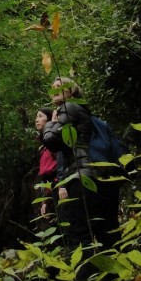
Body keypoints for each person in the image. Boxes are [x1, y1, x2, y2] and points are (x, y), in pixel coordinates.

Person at [42, 77, 100, 253]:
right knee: (98, 229)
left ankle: (87, 277)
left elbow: (51, 140)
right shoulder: (80, 110)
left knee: (80, 232)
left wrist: (51, 122)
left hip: (81, 174)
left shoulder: (69, 108)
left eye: (60, 86)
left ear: (71, 90)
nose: (55, 89)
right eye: (53, 87)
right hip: (90, 171)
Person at [34, 107, 60, 219]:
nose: (36, 120)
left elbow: (63, 165)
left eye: (40, 116)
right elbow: (44, 176)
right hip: (51, 191)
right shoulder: (43, 147)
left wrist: (62, 186)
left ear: (49, 119)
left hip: (61, 188)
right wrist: (45, 201)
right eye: (36, 117)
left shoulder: (55, 141)